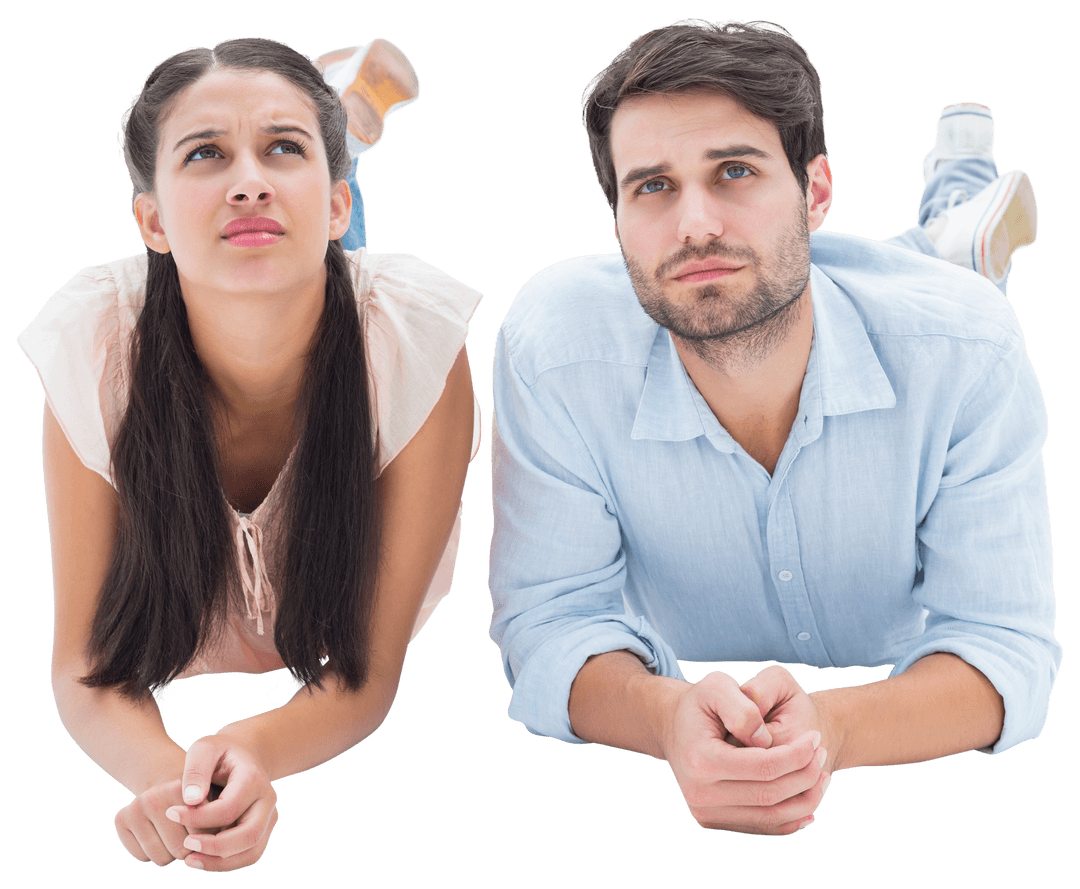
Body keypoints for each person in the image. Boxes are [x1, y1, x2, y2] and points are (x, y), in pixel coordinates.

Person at [488, 18, 1058, 837]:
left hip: (921, 312)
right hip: (858, 293)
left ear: (817, 191)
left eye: (735, 171)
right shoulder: (556, 351)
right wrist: (664, 715)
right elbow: (547, 624)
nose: (694, 225)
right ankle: (945, 230)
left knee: (958, 286)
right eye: (652, 186)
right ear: (614, 223)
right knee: (891, 269)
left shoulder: (966, 351)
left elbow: (1007, 643)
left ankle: (956, 209)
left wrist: (836, 729)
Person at [17, 37, 481, 870]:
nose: (248, 177)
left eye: (282, 147)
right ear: (150, 220)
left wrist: (252, 745)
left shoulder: (420, 348)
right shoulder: (93, 351)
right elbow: (84, 666)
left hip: (347, 309)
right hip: (205, 294)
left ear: (336, 207)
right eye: (205, 152)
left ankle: (341, 124)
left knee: (314, 270)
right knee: (265, 240)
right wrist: (172, 780)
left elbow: (365, 675)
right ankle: (332, 115)